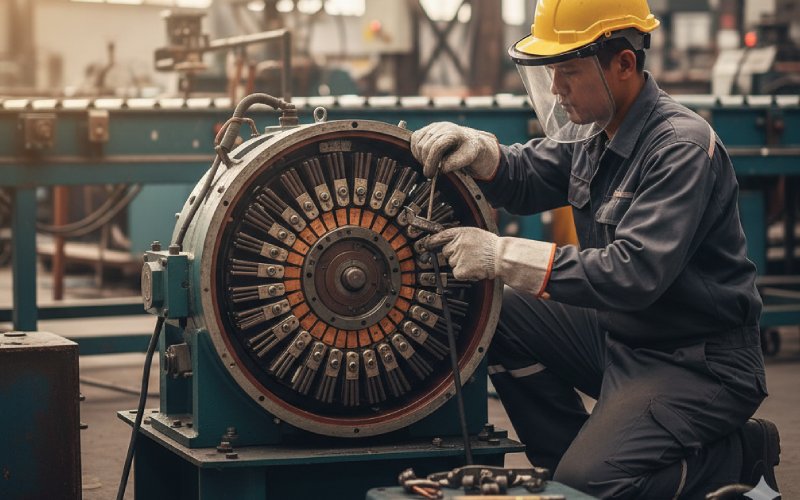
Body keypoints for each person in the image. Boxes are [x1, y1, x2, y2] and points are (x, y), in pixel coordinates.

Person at [411, 0, 780, 498]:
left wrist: (501, 254)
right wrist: (481, 150)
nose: (557, 89)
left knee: (595, 486)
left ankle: (737, 457)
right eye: (550, 74)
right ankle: (564, 464)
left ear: (623, 64)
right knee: (497, 311)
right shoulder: (598, 134)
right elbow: (527, 174)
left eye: (568, 72)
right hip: (624, 338)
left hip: (696, 360)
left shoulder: (679, 147)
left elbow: (634, 274)